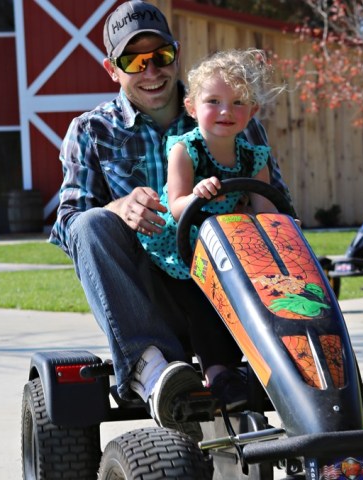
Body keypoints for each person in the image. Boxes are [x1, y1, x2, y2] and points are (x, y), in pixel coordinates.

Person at [49, 1, 294, 440]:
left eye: (160, 56)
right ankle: (154, 370)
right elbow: (67, 222)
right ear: (112, 69)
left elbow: (278, 206)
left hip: (226, 285)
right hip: (146, 295)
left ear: (175, 54)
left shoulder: (224, 110)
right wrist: (117, 207)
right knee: (89, 224)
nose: (151, 71)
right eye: (134, 61)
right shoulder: (91, 130)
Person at [135, 47, 281, 406]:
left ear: (253, 112)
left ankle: (280, 365)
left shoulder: (255, 157)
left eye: (238, 102)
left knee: (258, 295)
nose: (226, 112)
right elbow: (176, 202)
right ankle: (218, 374)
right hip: (183, 250)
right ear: (191, 107)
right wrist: (198, 194)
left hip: (230, 247)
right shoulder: (185, 150)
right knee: (205, 302)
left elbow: (264, 208)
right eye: (213, 101)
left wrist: (280, 229)